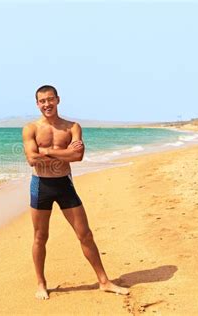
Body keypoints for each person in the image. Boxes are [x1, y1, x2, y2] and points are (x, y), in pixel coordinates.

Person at [22, 85, 129, 300]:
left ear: (58, 100)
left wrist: (48, 151)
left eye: (50, 99)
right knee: (40, 237)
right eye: (42, 101)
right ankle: (41, 283)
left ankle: (104, 282)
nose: (47, 104)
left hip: (64, 185)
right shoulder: (30, 128)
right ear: (37, 104)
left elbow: (78, 156)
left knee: (85, 234)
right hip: (41, 185)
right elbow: (32, 159)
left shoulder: (72, 127)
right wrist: (65, 153)